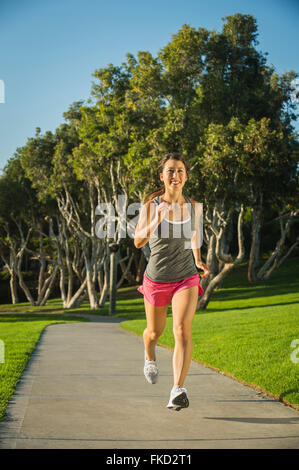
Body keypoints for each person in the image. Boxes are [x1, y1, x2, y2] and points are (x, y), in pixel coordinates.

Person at [134, 152, 210, 410]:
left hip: (186, 277)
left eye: (179, 171)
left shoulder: (195, 206)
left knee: (181, 329)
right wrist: (156, 219)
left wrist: (198, 260)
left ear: (186, 176)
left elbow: (195, 235)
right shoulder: (151, 206)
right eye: (170, 171)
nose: (175, 175)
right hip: (156, 279)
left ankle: (177, 389)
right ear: (162, 176)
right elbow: (138, 242)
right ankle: (149, 356)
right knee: (154, 332)